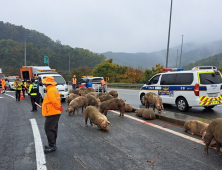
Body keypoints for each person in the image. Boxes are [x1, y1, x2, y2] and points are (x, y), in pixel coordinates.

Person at [42, 76, 62, 153]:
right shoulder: (53, 89)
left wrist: (57, 108)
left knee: (48, 129)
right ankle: (52, 144)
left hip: (52, 113)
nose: (44, 84)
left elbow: (54, 102)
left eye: (45, 83)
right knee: (53, 129)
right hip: (54, 112)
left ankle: (52, 146)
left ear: (47, 83)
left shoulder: (50, 90)